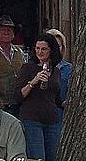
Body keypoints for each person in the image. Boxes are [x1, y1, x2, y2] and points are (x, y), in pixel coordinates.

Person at [15, 33, 62, 161]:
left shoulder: (56, 71)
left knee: (53, 157)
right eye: (37, 48)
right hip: (32, 120)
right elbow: (18, 96)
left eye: (44, 49)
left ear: (51, 50)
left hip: (52, 120)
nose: (40, 52)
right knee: (37, 158)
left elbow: (56, 96)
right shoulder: (27, 68)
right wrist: (33, 81)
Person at [44, 28, 72, 111]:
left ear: (62, 47)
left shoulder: (69, 69)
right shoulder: (33, 67)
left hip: (59, 116)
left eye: (58, 46)